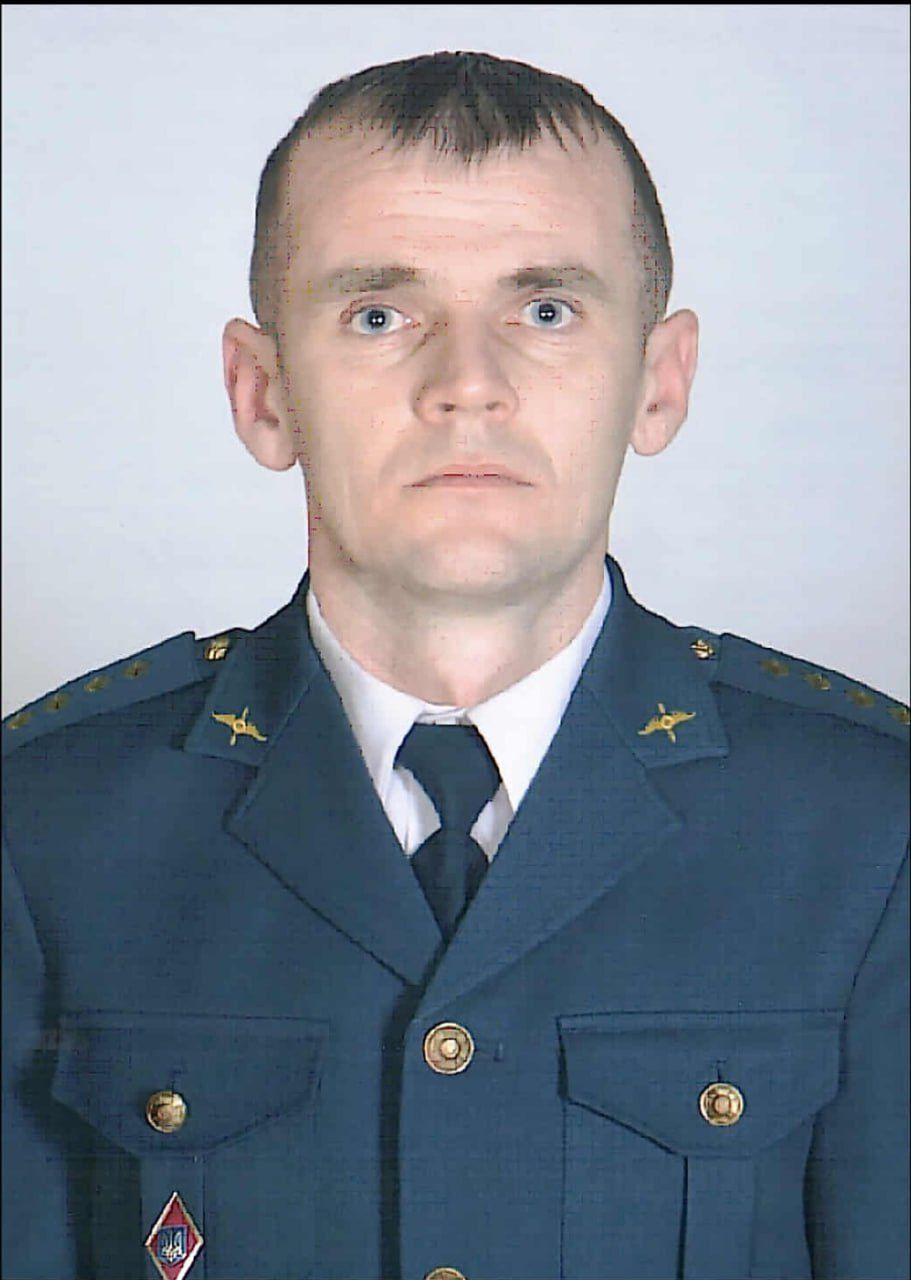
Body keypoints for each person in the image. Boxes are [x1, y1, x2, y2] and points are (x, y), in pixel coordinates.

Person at [3, 49, 908, 1280]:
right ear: (263, 393)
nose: (466, 386)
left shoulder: (867, 829)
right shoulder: (45, 827)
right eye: (379, 315)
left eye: (545, 310)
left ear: (657, 382)